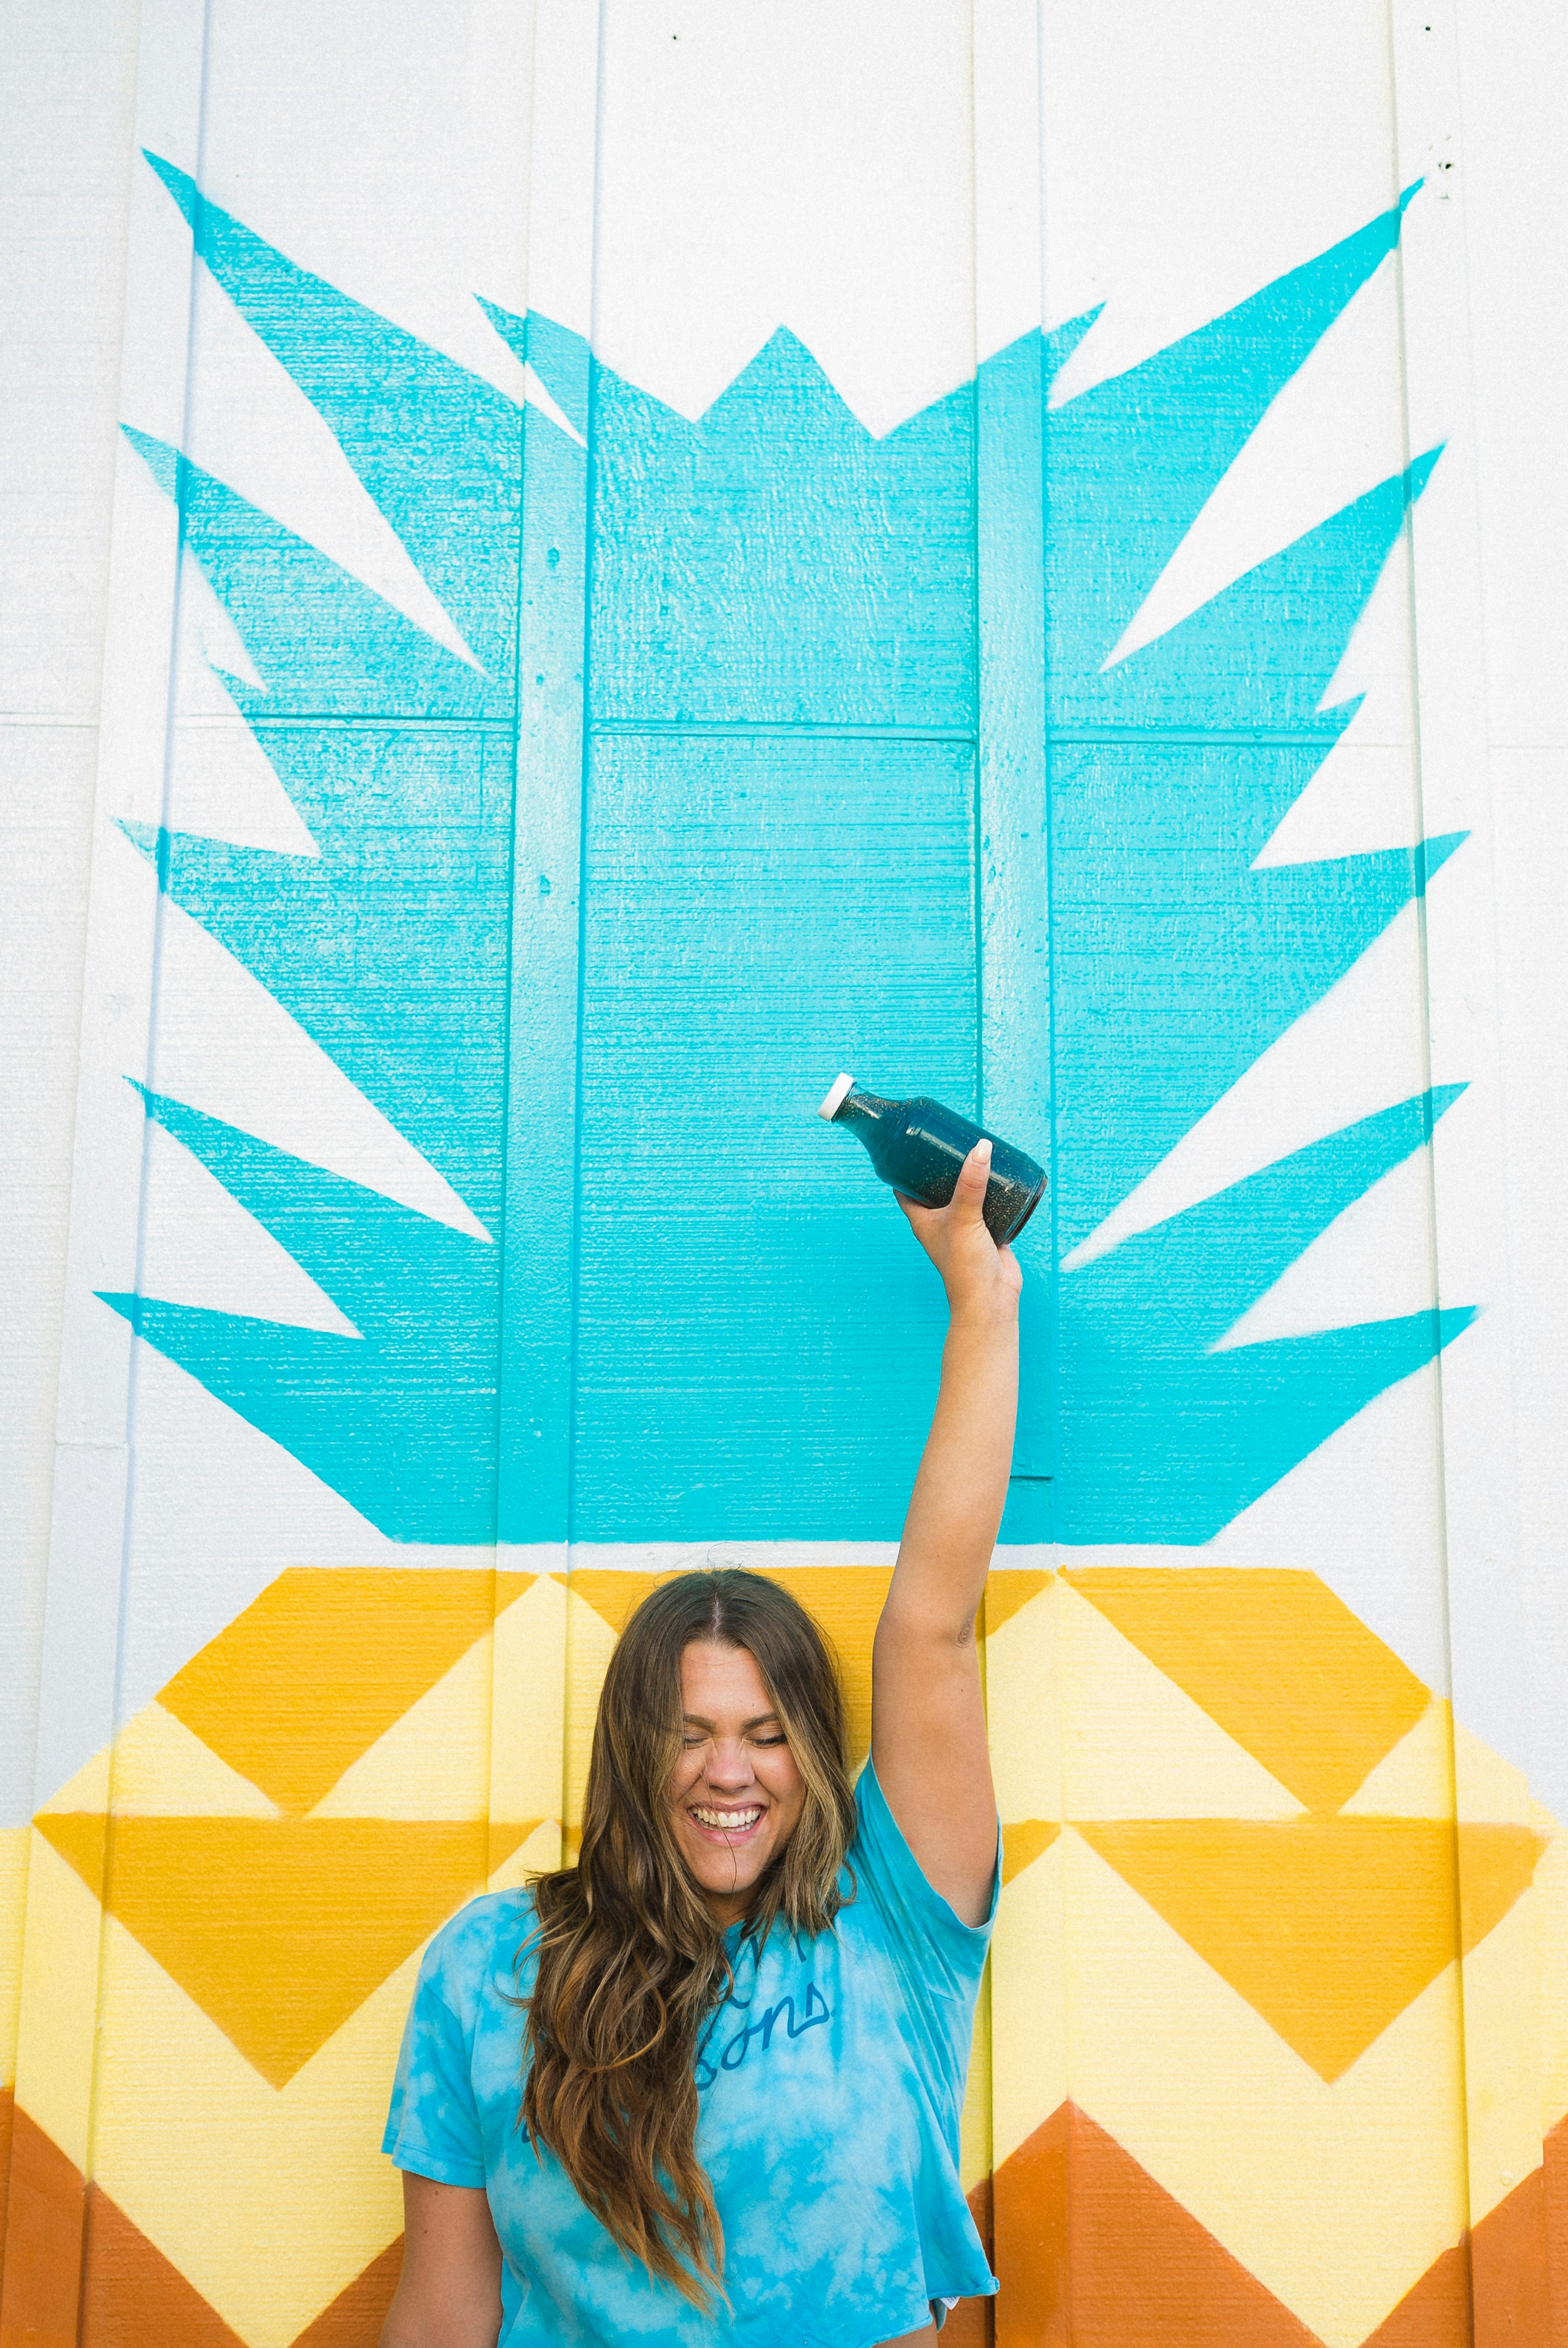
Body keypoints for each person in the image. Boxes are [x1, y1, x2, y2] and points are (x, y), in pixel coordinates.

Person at [380, 1140, 1021, 2347]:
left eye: (768, 1737)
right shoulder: (487, 1967)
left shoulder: (889, 1920)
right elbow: (443, 2314)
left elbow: (931, 1626)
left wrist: (980, 1303)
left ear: (810, 1761)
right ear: (632, 1754)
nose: (729, 1772)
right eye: (689, 1737)